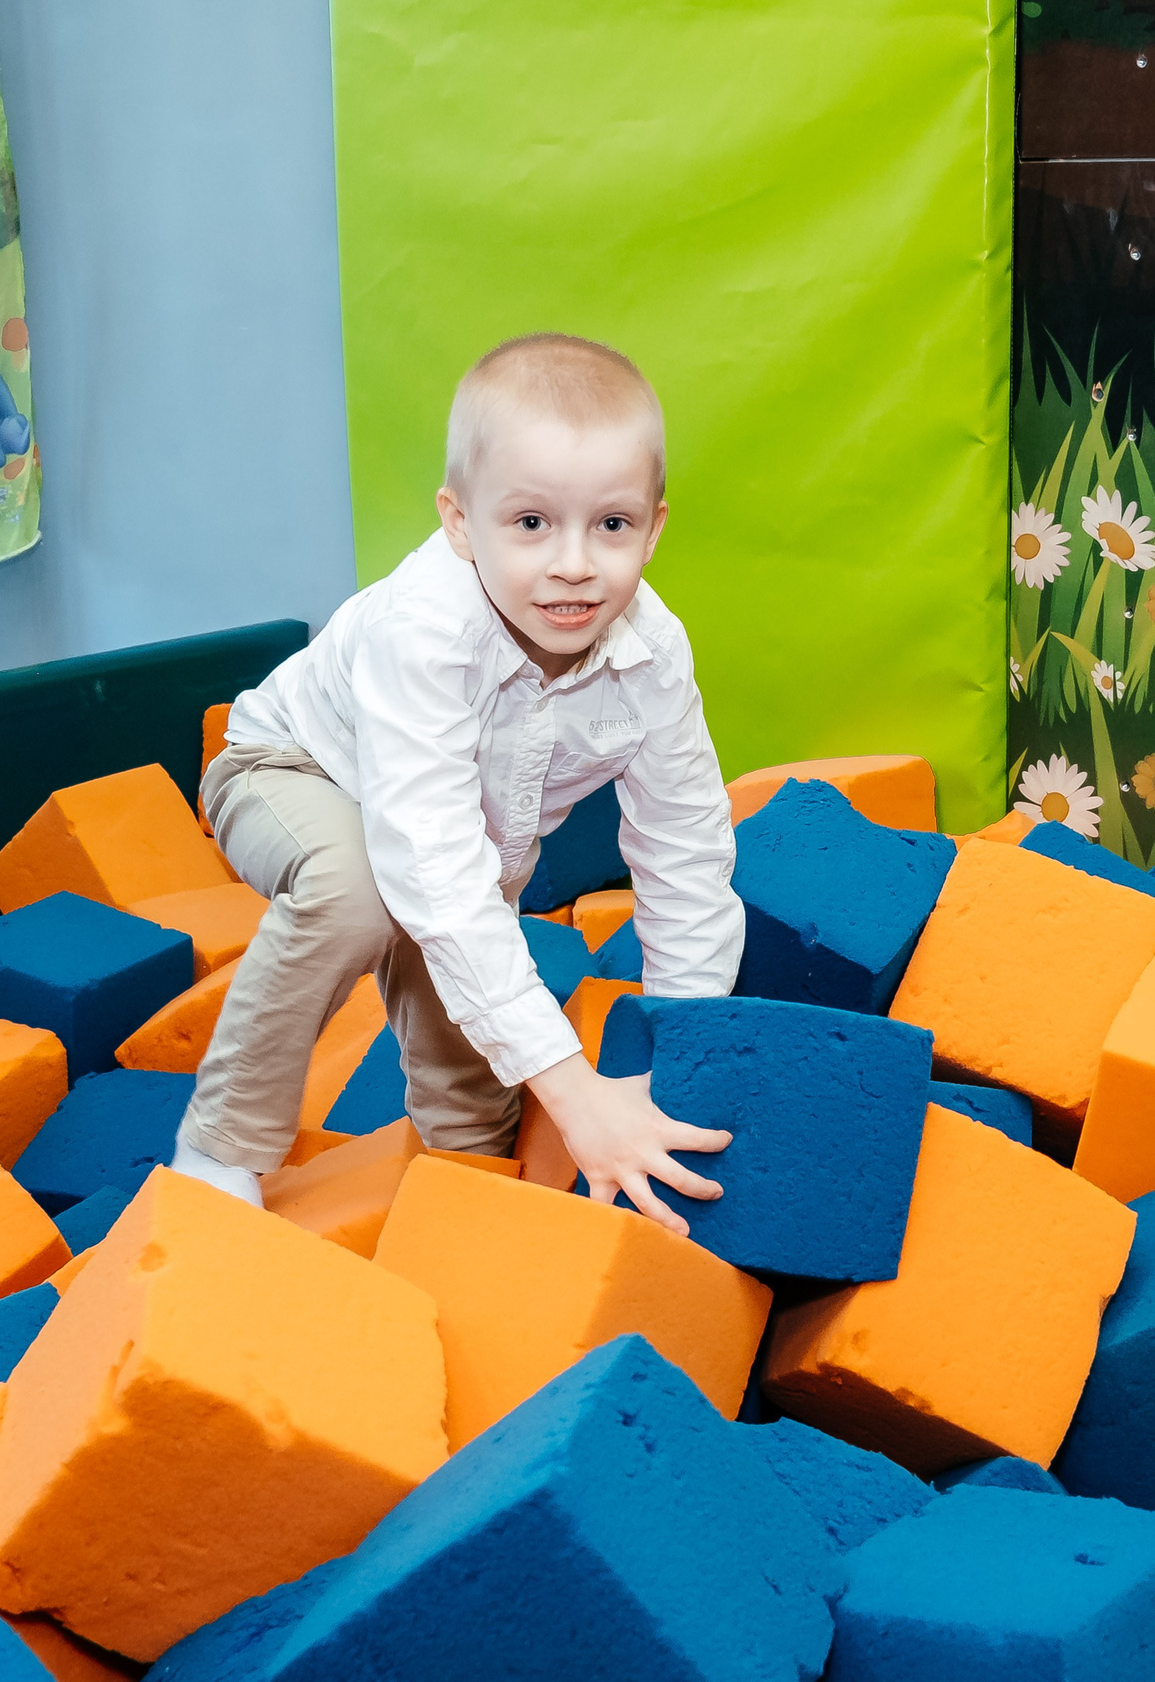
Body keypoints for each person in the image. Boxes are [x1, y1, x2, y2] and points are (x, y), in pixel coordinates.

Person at [168, 332, 742, 1233]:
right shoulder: (423, 631)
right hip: (290, 769)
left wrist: (685, 1059)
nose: (575, 564)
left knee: (475, 1098)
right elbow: (426, 871)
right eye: (530, 523)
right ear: (459, 522)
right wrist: (576, 1093)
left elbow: (686, 856)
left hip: (459, 841)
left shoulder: (653, 658)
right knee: (362, 889)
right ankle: (220, 1145)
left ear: (655, 527)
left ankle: (464, 1198)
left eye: (613, 525)